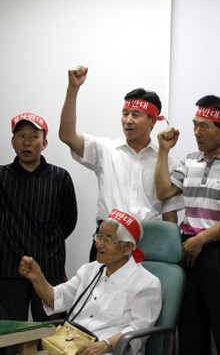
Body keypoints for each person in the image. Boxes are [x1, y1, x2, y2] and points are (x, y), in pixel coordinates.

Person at [155, 95, 220, 355]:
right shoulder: (190, 160)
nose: (197, 132)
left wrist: (201, 240)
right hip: (189, 252)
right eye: (194, 125)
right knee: (190, 330)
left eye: (204, 126)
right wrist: (164, 151)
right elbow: (164, 191)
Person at [59, 66, 179, 262]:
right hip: (108, 239)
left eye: (136, 115)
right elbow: (67, 135)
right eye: (125, 113)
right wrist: (73, 89)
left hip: (149, 242)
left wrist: (172, 256)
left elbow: (170, 216)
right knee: (101, 293)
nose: (128, 121)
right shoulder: (106, 150)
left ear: (153, 121)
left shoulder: (165, 161)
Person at [18, 209, 162, 355]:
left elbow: (139, 329)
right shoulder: (89, 270)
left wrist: (105, 345)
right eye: (99, 236)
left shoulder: (147, 283)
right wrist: (37, 278)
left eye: (108, 239)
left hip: (112, 351)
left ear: (128, 248)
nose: (99, 244)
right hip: (74, 345)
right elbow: (55, 299)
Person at [0, 113, 77, 324]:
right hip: (9, 271)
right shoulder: (2, 176)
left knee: (51, 334)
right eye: (21, 135)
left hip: (49, 269)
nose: (27, 142)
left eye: (34, 136)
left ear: (44, 143)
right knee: (8, 337)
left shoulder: (59, 177)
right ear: (13, 142)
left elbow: (68, 221)